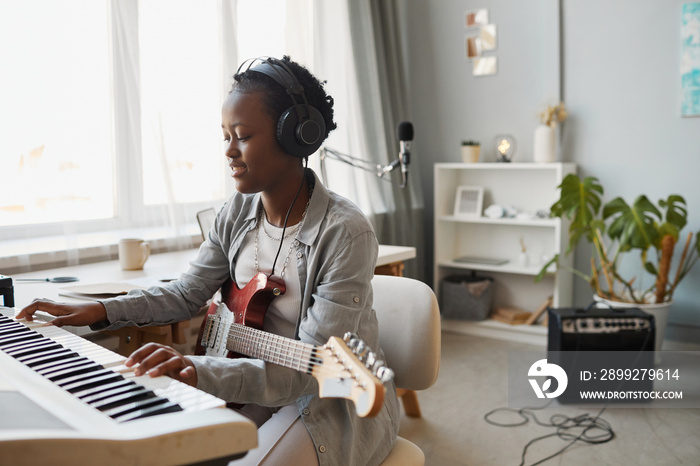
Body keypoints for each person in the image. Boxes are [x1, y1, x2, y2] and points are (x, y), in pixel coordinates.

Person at [18, 56, 400, 465]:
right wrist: (100, 309)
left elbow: (312, 371)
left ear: (295, 137)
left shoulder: (345, 233)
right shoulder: (236, 211)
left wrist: (197, 369)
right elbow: (186, 294)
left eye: (243, 136)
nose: (229, 151)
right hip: (250, 376)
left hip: (322, 397)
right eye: (225, 136)